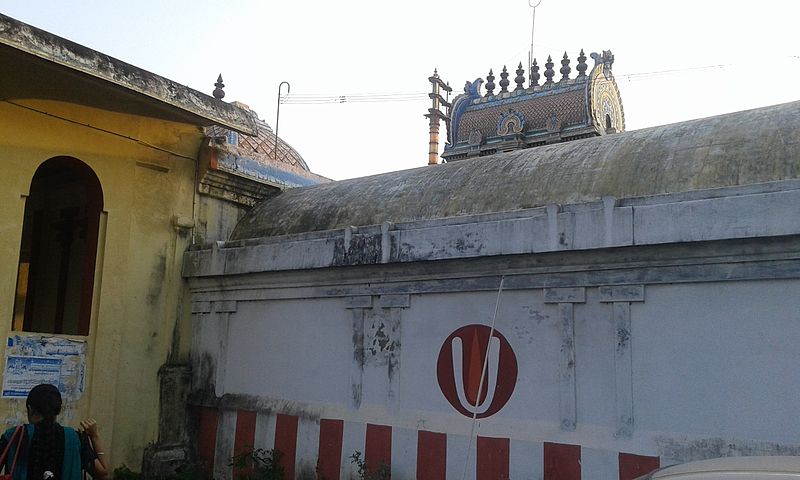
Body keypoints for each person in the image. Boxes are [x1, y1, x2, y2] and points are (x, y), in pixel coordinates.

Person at [0, 384, 107, 480]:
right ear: (57, 411)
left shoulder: (13, 436)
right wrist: (95, 436)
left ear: (30, 409)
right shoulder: (74, 439)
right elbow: (102, 474)